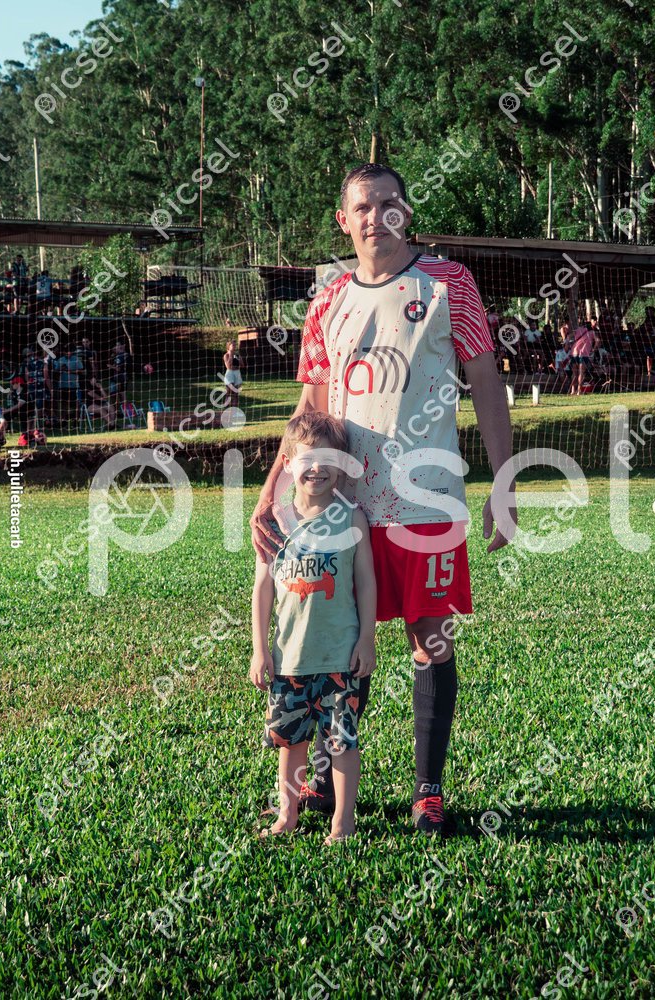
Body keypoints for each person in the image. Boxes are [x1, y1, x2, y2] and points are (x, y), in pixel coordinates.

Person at [250, 162, 516, 835]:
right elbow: (309, 408)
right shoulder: (327, 300)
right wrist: (272, 488)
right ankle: (320, 780)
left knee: (430, 639)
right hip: (342, 508)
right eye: (362, 208)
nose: (376, 217)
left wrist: (504, 479)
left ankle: (428, 791)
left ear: (406, 212)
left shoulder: (450, 284)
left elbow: (485, 380)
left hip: (427, 501)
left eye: (388, 204)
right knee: (338, 640)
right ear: (344, 221)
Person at [250, 411, 376, 844]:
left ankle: (343, 821)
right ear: (287, 463)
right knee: (290, 743)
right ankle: (288, 815)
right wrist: (259, 649)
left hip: (340, 656)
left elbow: (366, 584)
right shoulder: (275, 523)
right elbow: (262, 589)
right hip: (289, 659)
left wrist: (367, 639)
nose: (317, 468)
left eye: (328, 459)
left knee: (342, 743)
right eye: (307, 458)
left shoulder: (352, 519)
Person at [569, 324, 596, 395]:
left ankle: (572, 391)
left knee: (574, 374)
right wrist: (594, 349)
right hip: (584, 353)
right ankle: (579, 391)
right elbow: (598, 340)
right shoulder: (592, 332)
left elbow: (569, 336)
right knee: (581, 373)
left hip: (574, 352)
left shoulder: (578, 329)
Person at [223, 339, 244, 404]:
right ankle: (226, 406)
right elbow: (228, 367)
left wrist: (239, 361)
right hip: (229, 374)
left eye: (235, 345)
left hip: (237, 373)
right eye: (233, 345)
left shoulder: (237, 355)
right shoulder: (226, 355)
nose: (234, 347)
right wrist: (231, 355)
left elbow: (242, 365)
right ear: (228, 346)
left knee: (235, 393)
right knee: (229, 391)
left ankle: (235, 407)